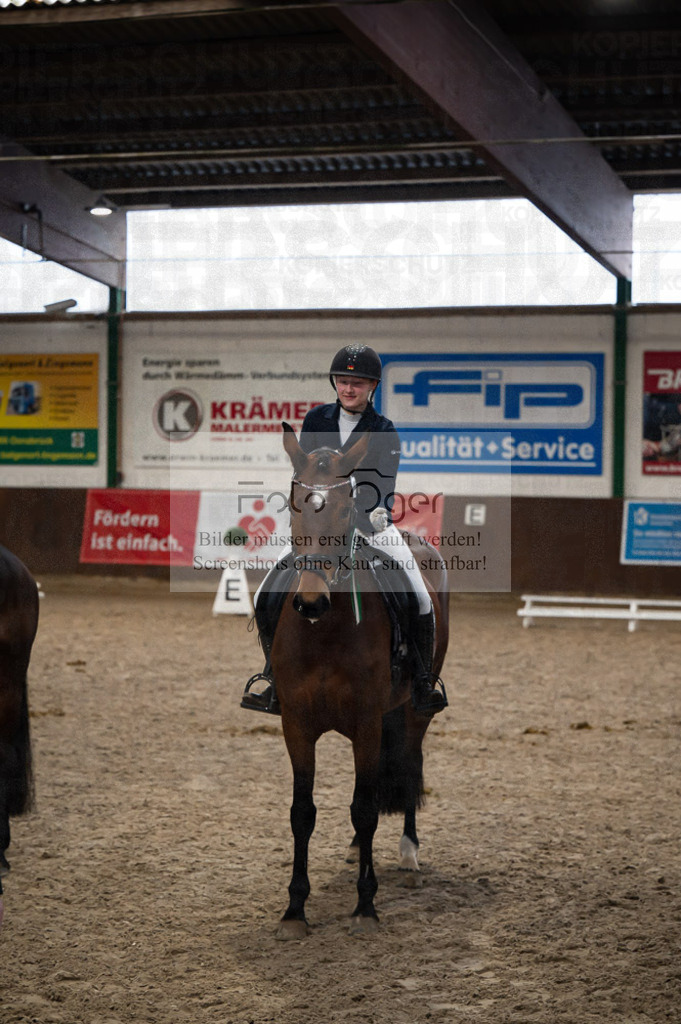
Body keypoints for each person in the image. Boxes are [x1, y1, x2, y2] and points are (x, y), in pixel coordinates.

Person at [241, 344, 447, 717]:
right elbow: (304, 471)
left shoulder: (383, 430)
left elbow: (384, 484)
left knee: (418, 595)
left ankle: (421, 680)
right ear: (334, 382)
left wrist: (374, 512)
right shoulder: (316, 419)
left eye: (358, 383)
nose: (349, 388)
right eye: (343, 381)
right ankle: (272, 678)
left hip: (370, 524)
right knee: (268, 592)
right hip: (319, 524)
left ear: (372, 386)